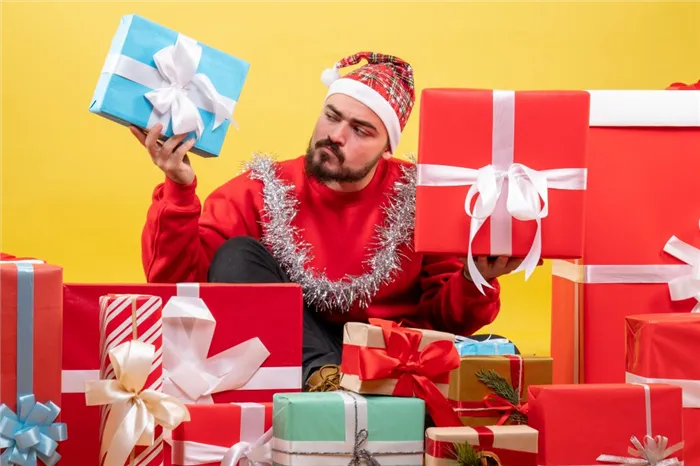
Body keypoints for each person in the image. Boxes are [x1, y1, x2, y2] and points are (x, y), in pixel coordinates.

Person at [131, 51, 523, 392]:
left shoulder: (422, 199)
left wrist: (476, 280)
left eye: (360, 130)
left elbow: (449, 322)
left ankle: (344, 391)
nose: (335, 135)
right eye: (331, 117)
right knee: (236, 255)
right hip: (285, 361)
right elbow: (177, 287)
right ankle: (326, 381)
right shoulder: (258, 190)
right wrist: (180, 189)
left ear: (387, 149)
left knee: (499, 360)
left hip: (390, 364)